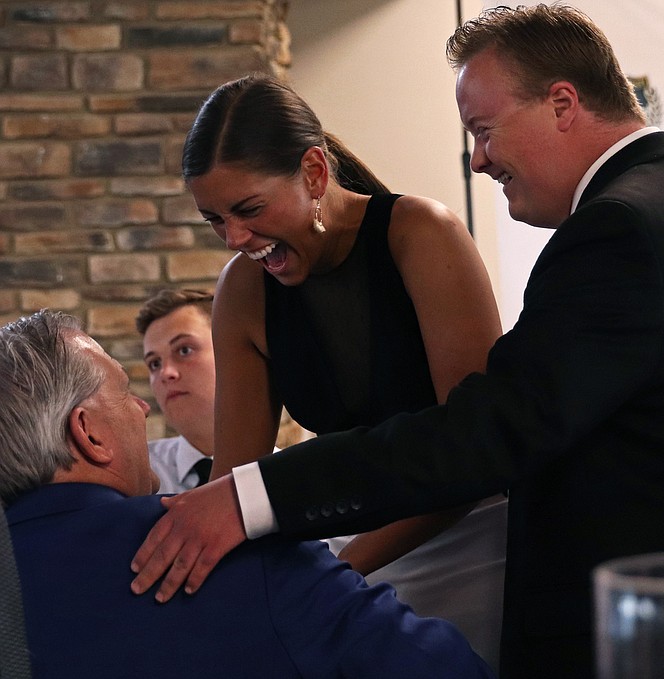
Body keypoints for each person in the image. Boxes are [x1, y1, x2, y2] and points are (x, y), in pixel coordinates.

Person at [130, 4, 664, 677]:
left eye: (484, 131)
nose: (477, 160)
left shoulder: (619, 231)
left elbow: (482, 432)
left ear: (562, 103)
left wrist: (260, 500)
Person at [160, 73, 507, 668]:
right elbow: (233, 480)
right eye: (214, 219)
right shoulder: (242, 288)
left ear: (315, 172)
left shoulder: (423, 235)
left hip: (479, 539)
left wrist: (336, 573)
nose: (234, 239)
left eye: (248, 209)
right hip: (356, 545)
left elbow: (472, 453)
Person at [0, 309, 494, 679]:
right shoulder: (235, 550)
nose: (142, 407)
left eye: (185, 350)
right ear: (88, 433)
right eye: (127, 388)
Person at [136, 288, 217, 493]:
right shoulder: (137, 477)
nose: (165, 373)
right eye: (154, 363)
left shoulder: (289, 476)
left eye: (184, 350)